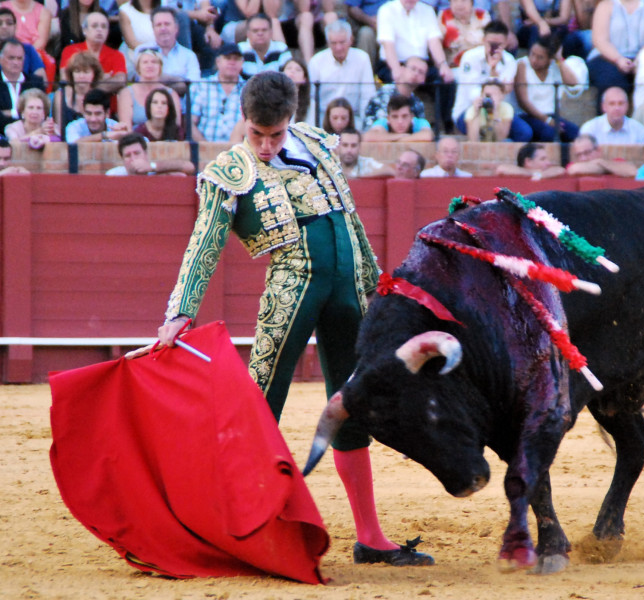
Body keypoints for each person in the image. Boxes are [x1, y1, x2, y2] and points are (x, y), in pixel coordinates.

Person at [155, 70, 434, 568]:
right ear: (244, 120)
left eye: (275, 134)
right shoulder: (229, 171)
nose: (265, 146)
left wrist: (376, 284)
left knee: (351, 405)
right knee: (260, 405)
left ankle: (370, 537)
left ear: (292, 119)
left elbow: (350, 219)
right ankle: (237, 529)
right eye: (256, 134)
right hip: (293, 289)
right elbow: (204, 243)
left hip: (348, 286)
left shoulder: (317, 143)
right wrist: (180, 310)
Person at [514, 33, 584, 143]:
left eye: (540, 57)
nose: (534, 60)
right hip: (529, 115)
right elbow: (523, 101)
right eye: (532, 54)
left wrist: (559, 60)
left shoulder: (555, 65)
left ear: (550, 59)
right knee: (549, 133)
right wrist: (547, 120)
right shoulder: (522, 65)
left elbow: (573, 83)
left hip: (552, 115)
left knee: (575, 133)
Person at [586, 0, 644, 101]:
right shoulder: (605, 6)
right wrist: (618, 59)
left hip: (642, 59)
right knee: (613, 80)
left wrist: (639, 60)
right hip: (607, 57)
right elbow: (600, 40)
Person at [451, 20, 517, 135]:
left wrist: (494, 71)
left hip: (499, 110)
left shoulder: (509, 61)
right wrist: (492, 75)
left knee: (524, 133)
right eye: (491, 44)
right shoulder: (470, 57)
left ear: (506, 43)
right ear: (483, 40)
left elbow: (505, 90)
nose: (494, 48)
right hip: (471, 109)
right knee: (483, 132)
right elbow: (472, 94)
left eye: (499, 45)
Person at [308, 19, 375, 129]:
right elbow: (312, 98)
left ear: (351, 40)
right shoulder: (316, 61)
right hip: (324, 119)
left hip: (353, 119)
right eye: (334, 43)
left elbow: (367, 95)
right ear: (328, 43)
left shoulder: (362, 58)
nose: (338, 48)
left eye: (342, 42)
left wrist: (366, 127)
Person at [375, 0, 453, 85]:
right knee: (401, 82)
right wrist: (396, 69)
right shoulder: (386, 10)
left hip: (422, 65)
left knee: (446, 80)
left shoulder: (428, 10)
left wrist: (442, 65)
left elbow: (434, 42)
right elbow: (388, 44)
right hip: (395, 64)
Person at [59, 11, 127, 95]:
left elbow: (120, 80)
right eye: (94, 26)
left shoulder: (117, 55)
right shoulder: (70, 50)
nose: (99, 30)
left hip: (105, 100)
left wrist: (90, 88)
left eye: (104, 27)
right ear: (84, 30)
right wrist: (103, 79)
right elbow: (65, 79)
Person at [117, 47, 183, 130]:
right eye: (145, 62)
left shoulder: (171, 94)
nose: (149, 66)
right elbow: (126, 129)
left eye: (154, 62)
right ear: (138, 67)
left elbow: (176, 127)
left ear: (160, 67)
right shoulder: (127, 93)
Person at [190, 43, 245, 141]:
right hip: (204, 148)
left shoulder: (249, 90)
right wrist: (206, 147)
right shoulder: (200, 86)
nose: (232, 62)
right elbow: (190, 123)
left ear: (242, 63)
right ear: (218, 61)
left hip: (238, 148)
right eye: (228, 58)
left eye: (236, 59)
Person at [363, 55, 427, 129]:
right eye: (413, 69)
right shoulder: (385, 93)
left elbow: (422, 130)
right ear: (402, 69)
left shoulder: (418, 103)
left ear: (424, 79)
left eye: (421, 72)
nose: (416, 74)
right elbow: (378, 129)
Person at [150, 6, 201, 96]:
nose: (163, 28)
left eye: (167, 24)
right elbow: (143, 84)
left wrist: (160, 79)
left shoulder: (189, 56)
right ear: (153, 29)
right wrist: (179, 80)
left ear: (176, 28)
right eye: (159, 25)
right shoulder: (143, 51)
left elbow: (193, 87)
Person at [0, 39, 45, 132]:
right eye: (11, 58)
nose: (16, 62)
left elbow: (42, 114)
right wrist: (23, 114)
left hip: (32, 134)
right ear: (1, 59)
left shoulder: (36, 83)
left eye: (19, 58)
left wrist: (10, 112)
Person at [578, 86, 644, 144]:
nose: (617, 108)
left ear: (627, 106)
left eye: (621, 103)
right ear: (603, 106)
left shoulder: (639, 130)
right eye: (612, 104)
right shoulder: (590, 129)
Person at [106, 131, 195, 175]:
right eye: (128, 155)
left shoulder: (154, 171)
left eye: (137, 153)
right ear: (122, 159)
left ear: (145, 154)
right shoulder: (114, 175)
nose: (133, 159)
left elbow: (189, 167)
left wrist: (152, 167)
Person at [64, 87, 130, 142]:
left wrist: (125, 137)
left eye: (98, 114)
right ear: (83, 112)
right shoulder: (74, 127)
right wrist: (104, 135)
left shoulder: (115, 127)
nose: (93, 119)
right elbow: (73, 145)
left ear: (107, 113)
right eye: (89, 113)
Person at [438, 0, 490, 68]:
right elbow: (437, 43)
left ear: (472, 3)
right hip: (452, 67)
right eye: (455, 1)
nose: (459, 4)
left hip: (479, 64)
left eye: (463, 1)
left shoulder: (482, 15)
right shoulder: (444, 16)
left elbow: (489, 43)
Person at [238, 12, 291, 78]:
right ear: (248, 33)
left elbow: (287, 77)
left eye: (264, 30)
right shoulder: (239, 50)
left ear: (271, 32)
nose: (260, 33)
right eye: (255, 31)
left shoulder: (281, 49)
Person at [363, 92, 433, 141]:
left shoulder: (419, 122)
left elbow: (428, 135)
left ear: (411, 117)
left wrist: (400, 139)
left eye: (404, 116)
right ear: (388, 119)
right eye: (395, 117)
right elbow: (368, 136)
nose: (400, 121)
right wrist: (400, 136)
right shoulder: (382, 122)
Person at [0, 7, 44, 80]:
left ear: (15, 27)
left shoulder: (28, 49)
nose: (4, 27)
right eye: (0, 23)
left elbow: (41, 79)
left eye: (9, 23)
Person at [564, 133, 637, 176]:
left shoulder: (613, 162)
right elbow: (575, 170)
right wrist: (607, 168)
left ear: (598, 150)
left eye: (587, 153)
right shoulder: (573, 165)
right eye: (579, 155)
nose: (583, 158)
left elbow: (633, 171)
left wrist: (601, 162)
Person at [118, 0, 159, 70]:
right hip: (135, 56)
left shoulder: (165, 5)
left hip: (163, 53)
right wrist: (152, 53)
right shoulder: (125, 10)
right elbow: (132, 43)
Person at [495, 141, 566, 178]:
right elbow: (501, 169)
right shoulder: (516, 173)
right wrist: (534, 173)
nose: (548, 163)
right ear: (528, 162)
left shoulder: (547, 172)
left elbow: (561, 170)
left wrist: (541, 175)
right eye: (542, 159)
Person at [280, 56, 310, 122]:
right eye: (289, 68)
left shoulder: (311, 103)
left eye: (298, 70)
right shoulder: (273, 99)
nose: (292, 71)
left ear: (304, 79)